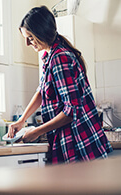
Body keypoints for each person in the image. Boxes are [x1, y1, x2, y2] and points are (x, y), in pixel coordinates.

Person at [8, 6, 113, 164]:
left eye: (30, 37)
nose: (27, 43)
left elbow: (71, 111)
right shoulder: (49, 57)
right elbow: (42, 91)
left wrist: (36, 131)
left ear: (41, 32)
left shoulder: (60, 58)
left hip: (80, 144)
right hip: (74, 141)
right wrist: (22, 119)